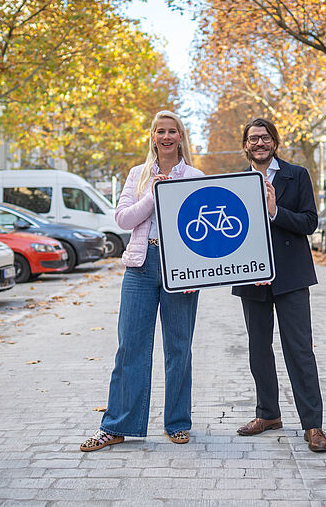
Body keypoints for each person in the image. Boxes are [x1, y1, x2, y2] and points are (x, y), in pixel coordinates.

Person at [80, 110, 204, 452]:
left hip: (180, 268)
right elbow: (122, 219)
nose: (166, 137)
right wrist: (153, 194)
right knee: (130, 346)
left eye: (172, 131)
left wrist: (196, 271)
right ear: (152, 136)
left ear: (181, 137)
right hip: (141, 264)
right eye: (160, 131)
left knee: (179, 348)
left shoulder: (194, 175)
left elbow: (201, 231)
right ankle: (117, 425)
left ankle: (177, 423)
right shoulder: (138, 175)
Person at [231, 117, 326, 452]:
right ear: (245, 145)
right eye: (253, 138)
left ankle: (313, 425)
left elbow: (310, 222)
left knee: (299, 350)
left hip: (291, 275)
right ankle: (268, 414)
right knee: (259, 349)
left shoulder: (296, 175)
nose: (259, 143)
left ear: (275, 141)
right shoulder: (236, 182)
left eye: (265, 137)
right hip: (250, 276)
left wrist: (275, 211)